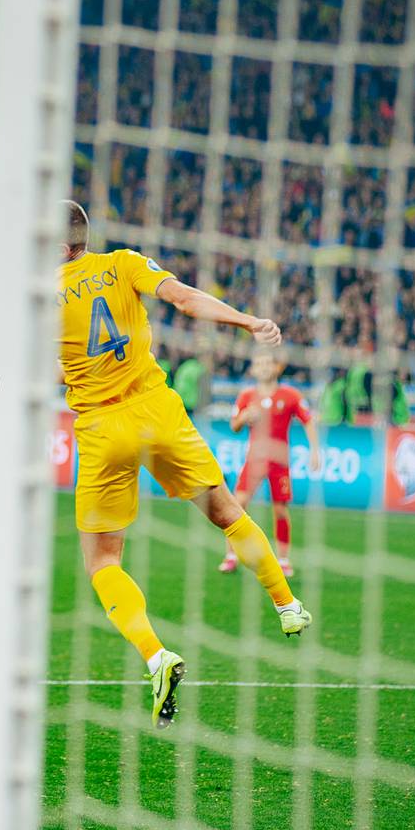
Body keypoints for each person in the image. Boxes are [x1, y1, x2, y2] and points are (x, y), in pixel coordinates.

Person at [56, 202, 311, 729]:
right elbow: (183, 300)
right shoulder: (123, 263)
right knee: (227, 512)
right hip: (158, 411)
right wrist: (246, 321)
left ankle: (155, 656)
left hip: (102, 429)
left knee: (103, 560)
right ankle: (286, 605)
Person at [220, 352, 322, 576]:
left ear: (277, 368)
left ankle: (283, 560)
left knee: (280, 509)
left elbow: (308, 421)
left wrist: (315, 451)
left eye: (268, 363)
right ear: (254, 370)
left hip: (279, 462)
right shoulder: (247, 396)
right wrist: (244, 417)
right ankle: (231, 555)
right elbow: (234, 426)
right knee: (238, 504)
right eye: (259, 363)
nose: (264, 367)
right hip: (254, 459)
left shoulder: (291, 395)